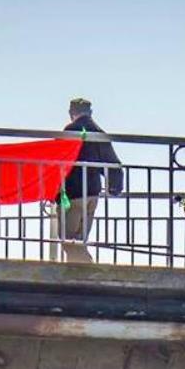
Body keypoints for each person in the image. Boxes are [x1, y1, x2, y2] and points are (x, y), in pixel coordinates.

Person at [57, 97, 124, 264]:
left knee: (68, 239)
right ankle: (81, 274)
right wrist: (114, 188)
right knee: (80, 239)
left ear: (71, 113)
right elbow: (113, 163)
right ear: (90, 112)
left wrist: (52, 189)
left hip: (72, 193)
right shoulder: (99, 132)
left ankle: (88, 270)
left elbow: (58, 160)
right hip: (93, 192)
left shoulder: (70, 131)